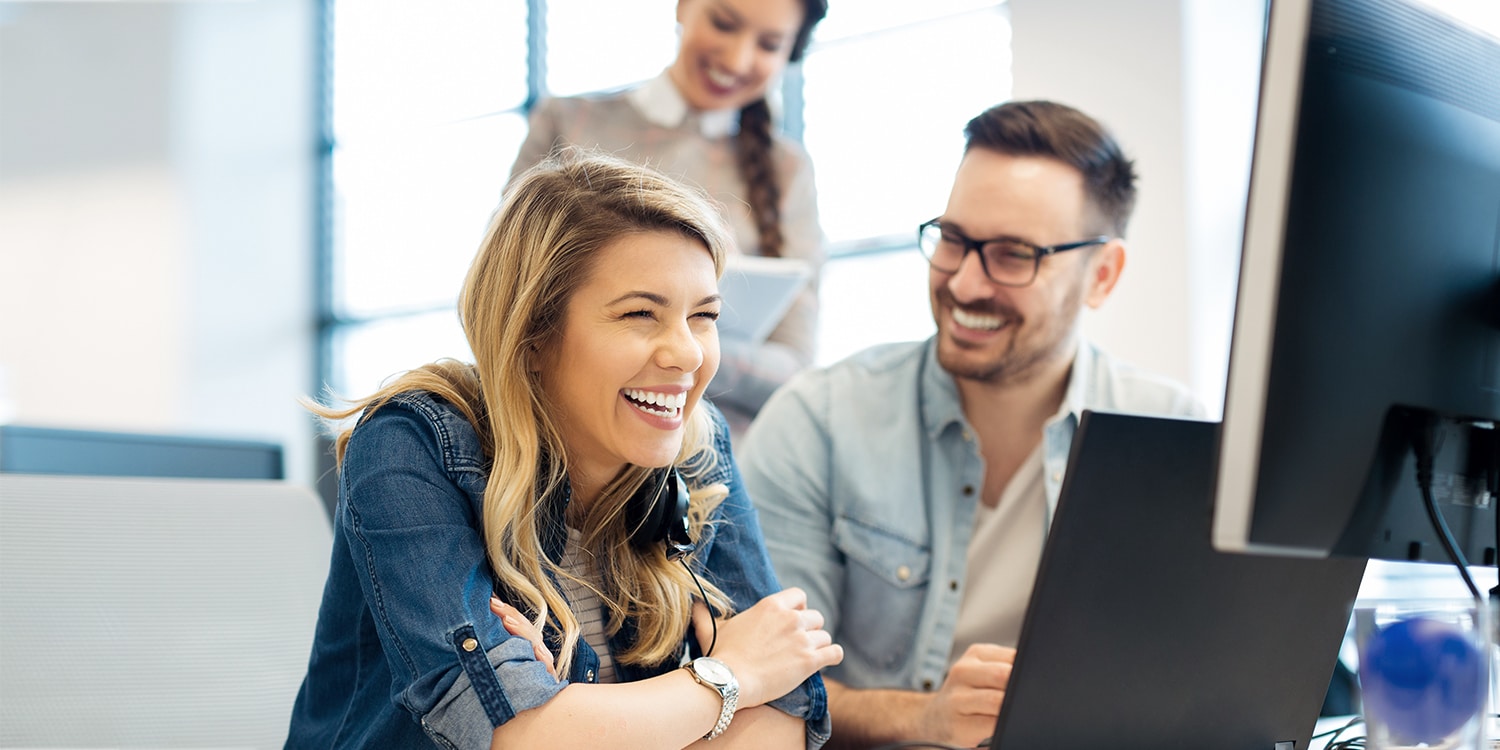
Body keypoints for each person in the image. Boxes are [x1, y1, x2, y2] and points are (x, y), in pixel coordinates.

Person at [285, 151, 842, 749]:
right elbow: (515, 737)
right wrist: (728, 677)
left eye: (703, 316)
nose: (686, 353)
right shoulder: (410, 445)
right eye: (640, 314)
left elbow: (783, 704)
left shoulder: (696, 448)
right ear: (533, 335)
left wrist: (579, 721)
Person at [738, 100, 1207, 749]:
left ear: (1102, 275)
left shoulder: (1177, 437)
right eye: (954, 239)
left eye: (1013, 255)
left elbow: (1213, 685)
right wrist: (924, 718)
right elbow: (768, 690)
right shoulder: (816, 421)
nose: (964, 281)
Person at [509, 0, 829, 434]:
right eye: (723, 23)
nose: (737, 59)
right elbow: (507, 303)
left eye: (769, 44)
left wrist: (680, 346)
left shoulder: (787, 172)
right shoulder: (568, 124)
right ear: (683, 6)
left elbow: (795, 367)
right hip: (562, 440)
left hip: (717, 463)